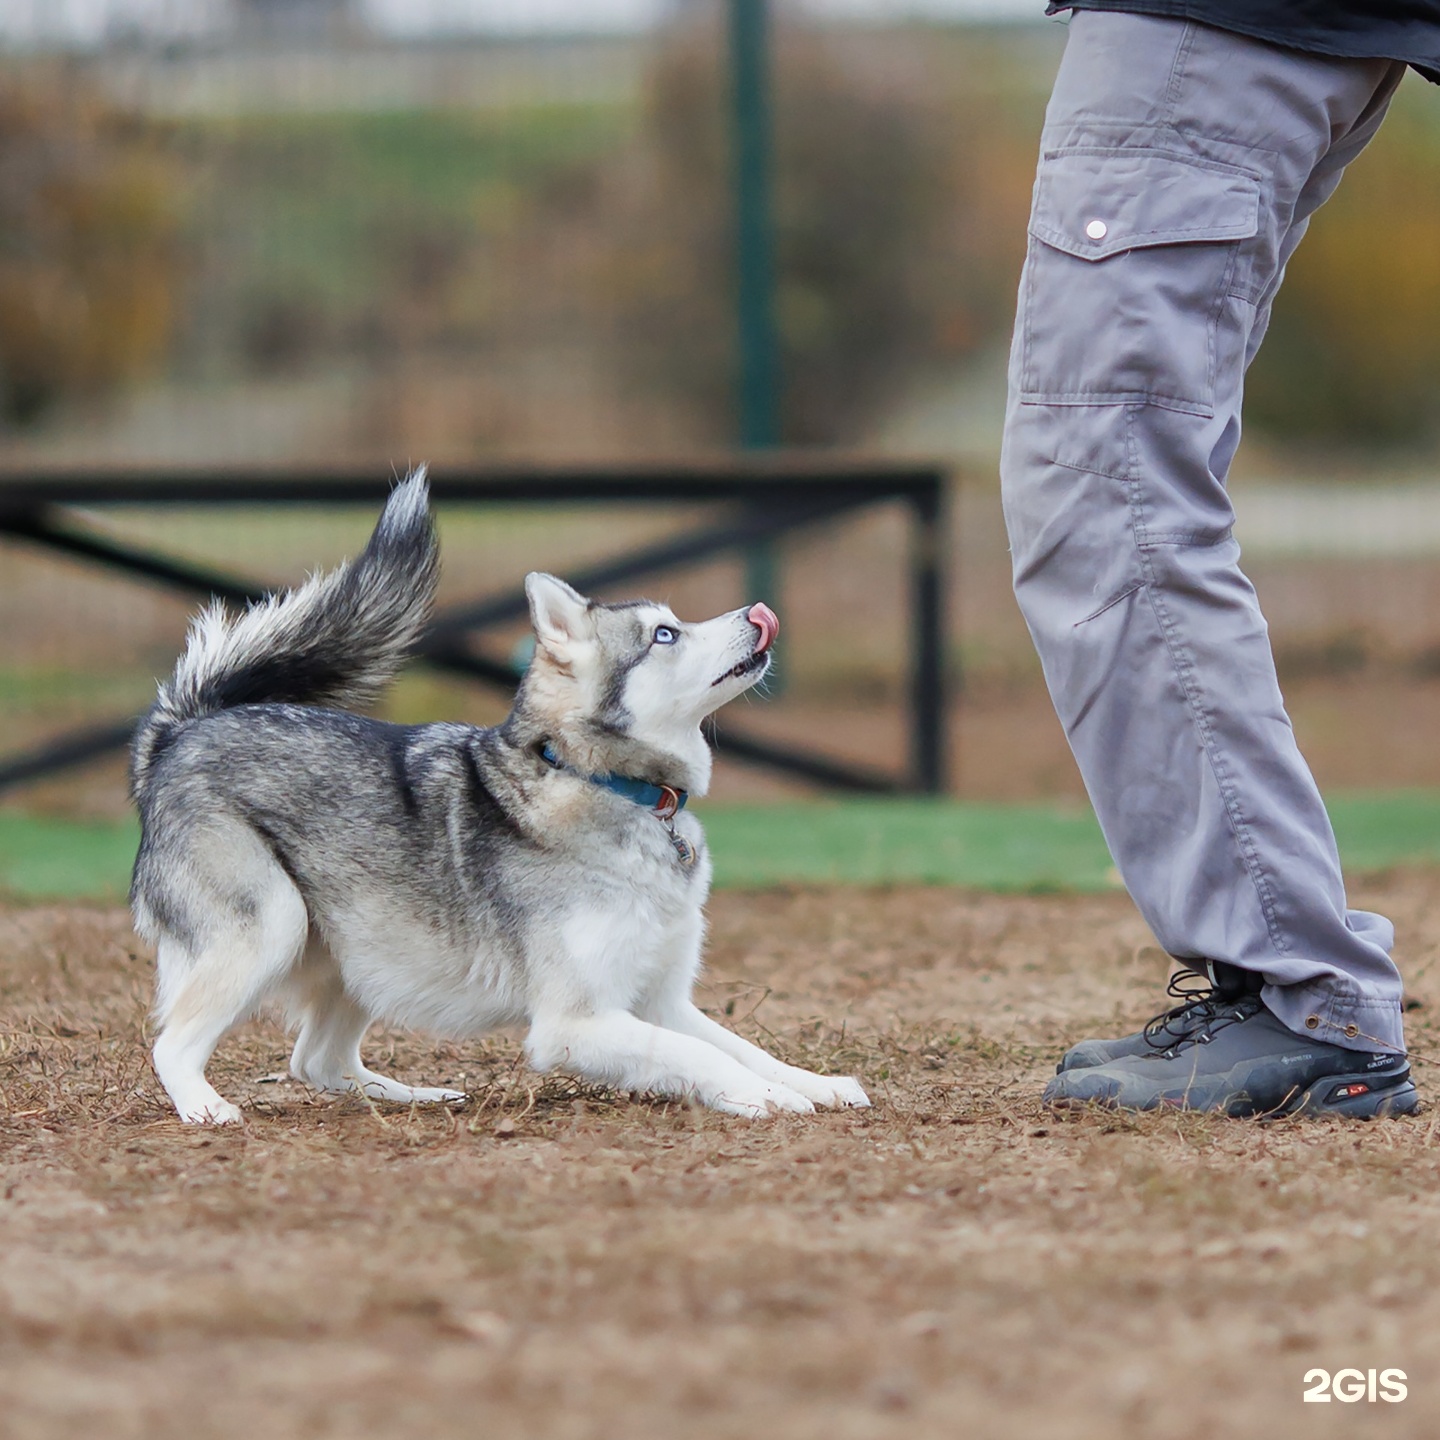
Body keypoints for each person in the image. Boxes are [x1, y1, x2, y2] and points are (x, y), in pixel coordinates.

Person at [1001, 2, 1440, 1115]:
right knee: (1119, 490)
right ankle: (1282, 982)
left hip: (1211, 30)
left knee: (1112, 495)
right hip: (1245, 35)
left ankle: (1306, 997)